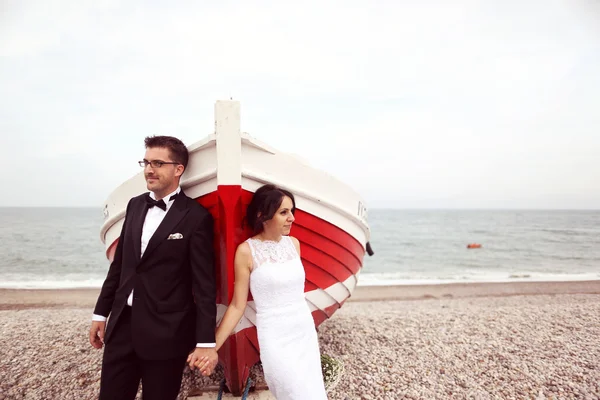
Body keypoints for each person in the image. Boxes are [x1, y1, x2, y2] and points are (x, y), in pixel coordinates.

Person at [89, 135, 219, 400]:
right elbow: (121, 266)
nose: (149, 169)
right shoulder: (135, 205)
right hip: (122, 326)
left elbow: (204, 285)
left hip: (167, 333)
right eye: (146, 162)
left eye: (158, 163)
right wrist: (100, 314)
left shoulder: (196, 217)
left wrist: (206, 342)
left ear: (178, 169)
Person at [192, 184, 328, 399]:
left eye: (292, 211)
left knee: (311, 392)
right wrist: (212, 347)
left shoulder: (294, 244)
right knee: (291, 391)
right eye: (284, 212)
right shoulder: (246, 251)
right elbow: (238, 306)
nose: (292, 218)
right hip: (275, 336)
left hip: (303, 332)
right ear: (262, 215)